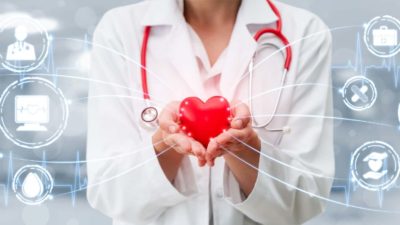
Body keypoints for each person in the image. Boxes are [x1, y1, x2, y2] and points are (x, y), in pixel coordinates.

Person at [87, 0, 334, 224]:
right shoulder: (119, 31)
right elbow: (109, 194)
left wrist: (244, 150)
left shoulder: (305, 33)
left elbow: (305, 201)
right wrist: (165, 145)